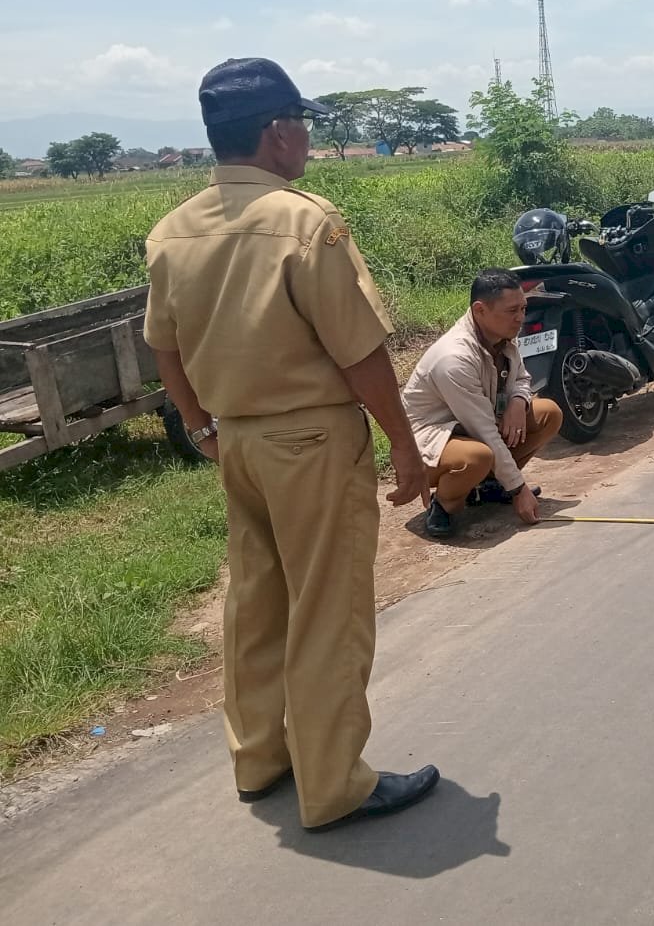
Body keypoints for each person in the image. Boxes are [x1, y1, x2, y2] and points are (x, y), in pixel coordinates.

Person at [144, 58, 439, 832]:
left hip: (237, 443)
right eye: (301, 125)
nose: (305, 139)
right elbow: (359, 352)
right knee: (327, 609)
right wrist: (403, 448)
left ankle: (260, 759)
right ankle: (335, 782)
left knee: (258, 603)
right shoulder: (305, 221)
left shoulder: (172, 231)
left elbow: (165, 347)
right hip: (309, 440)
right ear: (278, 133)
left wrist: (201, 425)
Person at [403, 268, 564, 540]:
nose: (520, 318)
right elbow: (484, 431)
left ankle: (489, 486)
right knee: (476, 457)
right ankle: (444, 505)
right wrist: (520, 490)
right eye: (512, 311)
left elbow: (522, 378)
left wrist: (517, 400)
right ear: (480, 310)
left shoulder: (502, 339)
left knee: (548, 413)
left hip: (477, 425)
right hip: (430, 441)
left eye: (523, 308)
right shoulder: (454, 358)